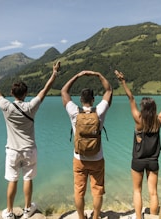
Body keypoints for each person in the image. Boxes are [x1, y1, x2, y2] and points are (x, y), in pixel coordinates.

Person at [0, 59, 61, 219]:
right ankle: (27, 209)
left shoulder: (6, 106)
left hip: (12, 150)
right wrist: (54, 74)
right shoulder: (31, 107)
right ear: (25, 94)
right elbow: (45, 90)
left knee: (12, 180)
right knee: (28, 178)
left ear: (11, 94)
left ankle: (9, 212)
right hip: (29, 150)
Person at [114, 70, 161, 219]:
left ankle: (139, 217)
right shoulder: (159, 120)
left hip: (138, 161)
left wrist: (122, 81)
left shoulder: (138, 120)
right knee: (153, 192)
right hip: (153, 161)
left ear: (142, 108)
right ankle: (154, 217)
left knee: (137, 191)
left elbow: (131, 98)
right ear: (154, 109)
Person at [61, 71, 113, 219]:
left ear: (80, 99)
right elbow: (109, 90)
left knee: (79, 191)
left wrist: (77, 75)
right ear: (93, 99)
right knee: (97, 191)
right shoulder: (100, 111)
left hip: (79, 158)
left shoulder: (74, 111)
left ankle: (81, 217)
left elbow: (64, 91)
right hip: (97, 158)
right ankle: (96, 217)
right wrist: (98, 75)